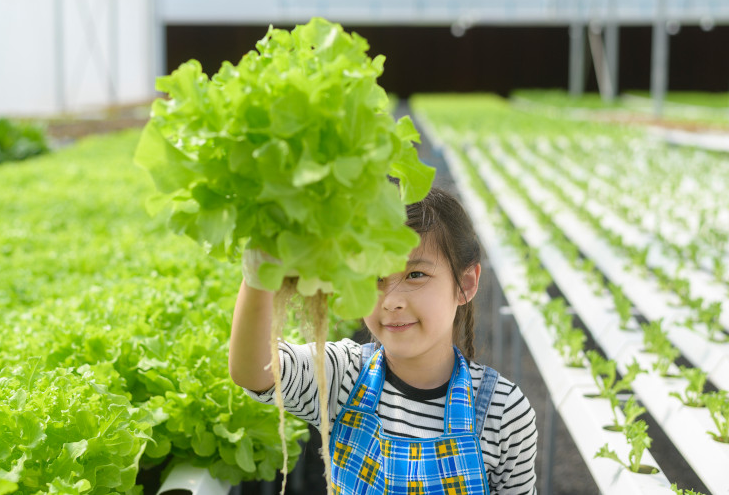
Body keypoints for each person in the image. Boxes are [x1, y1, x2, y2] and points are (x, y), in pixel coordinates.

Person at [229, 186, 538, 494]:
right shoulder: (343, 375)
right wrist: (259, 273)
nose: (391, 301)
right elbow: (254, 372)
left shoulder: (503, 412)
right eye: (374, 278)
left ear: (465, 284)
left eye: (416, 275)